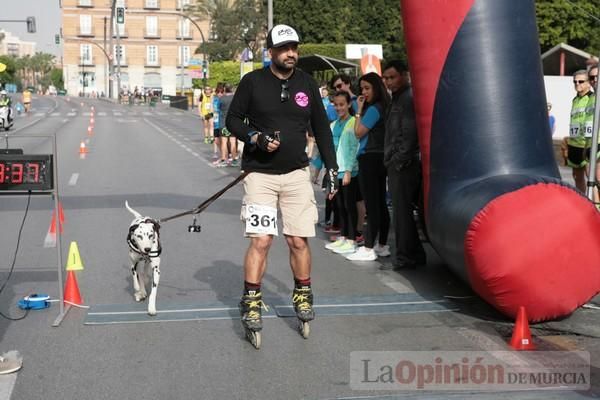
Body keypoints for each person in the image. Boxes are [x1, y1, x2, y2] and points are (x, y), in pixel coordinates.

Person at [226, 24, 338, 339]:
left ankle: (302, 294)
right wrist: (255, 137)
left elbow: (322, 128)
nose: (291, 53)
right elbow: (232, 119)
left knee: (298, 240)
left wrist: (331, 166)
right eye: (285, 48)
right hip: (260, 175)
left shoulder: (307, 83)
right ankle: (251, 299)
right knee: (261, 240)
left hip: (296, 175)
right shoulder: (253, 82)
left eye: (295, 48)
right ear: (271, 52)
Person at [381, 60, 426, 270]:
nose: (389, 82)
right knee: (402, 214)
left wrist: (397, 161)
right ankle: (412, 254)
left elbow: (409, 135)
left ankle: (406, 256)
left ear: (405, 75)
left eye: (392, 77)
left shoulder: (407, 99)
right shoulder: (397, 99)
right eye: (386, 78)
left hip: (404, 165)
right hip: (399, 162)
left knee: (402, 214)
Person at [346, 72, 391, 262]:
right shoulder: (385, 106)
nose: (363, 92)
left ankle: (368, 247)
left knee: (372, 203)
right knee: (380, 203)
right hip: (381, 157)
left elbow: (358, 132)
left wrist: (359, 111)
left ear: (376, 88)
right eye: (362, 88)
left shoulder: (373, 109)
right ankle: (382, 244)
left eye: (367, 88)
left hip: (370, 157)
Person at [325, 91, 360, 255]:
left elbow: (354, 149)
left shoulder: (353, 122)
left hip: (348, 171)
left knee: (349, 206)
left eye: (342, 104)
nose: (339, 107)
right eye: (336, 104)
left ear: (348, 105)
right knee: (340, 206)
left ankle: (352, 240)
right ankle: (344, 237)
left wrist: (347, 171)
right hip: (335, 171)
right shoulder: (334, 124)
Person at [565, 70, 595, 193]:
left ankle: (596, 206)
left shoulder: (593, 98)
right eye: (575, 81)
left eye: (581, 81)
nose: (577, 84)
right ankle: (583, 203)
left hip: (586, 144)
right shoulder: (575, 100)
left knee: (592, 177)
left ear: (589, 83)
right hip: (574, 144)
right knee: (577, 178)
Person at [218, 83, 239, 167]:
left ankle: (224, 160)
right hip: (233, 123)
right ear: (232, 89)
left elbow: (218, 109)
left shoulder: (221, 98)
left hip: (223, 123)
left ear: (225, 89)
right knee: (233, 142)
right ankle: (234, 160)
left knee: (224, 142)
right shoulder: (235, 98)